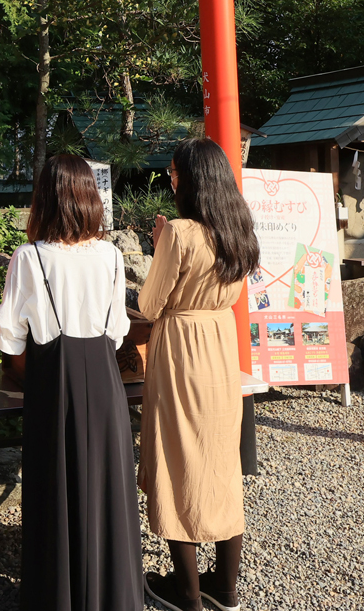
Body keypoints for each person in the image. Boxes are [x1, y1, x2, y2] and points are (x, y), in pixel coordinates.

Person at [0, 154, 142, 611]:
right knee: (107, 492)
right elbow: (117, 332)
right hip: (104, 386)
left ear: (46, 199)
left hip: (53, 389)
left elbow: (8, 336)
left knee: (54, 490)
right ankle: (111, 596)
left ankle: (56, 596)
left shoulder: (30, 257)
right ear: (89, 198)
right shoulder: (112, 256)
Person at [137, 138, 259, 611]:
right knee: (221, 462)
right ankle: (224, 588)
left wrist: (159, 247)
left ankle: (185, 592)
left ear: (190, 180)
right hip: (220, 347)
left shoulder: (181, 233)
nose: (170, 180)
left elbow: (150, 304)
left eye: (172, 173)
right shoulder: (237, 228)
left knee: (177, 459)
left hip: (180, 351)